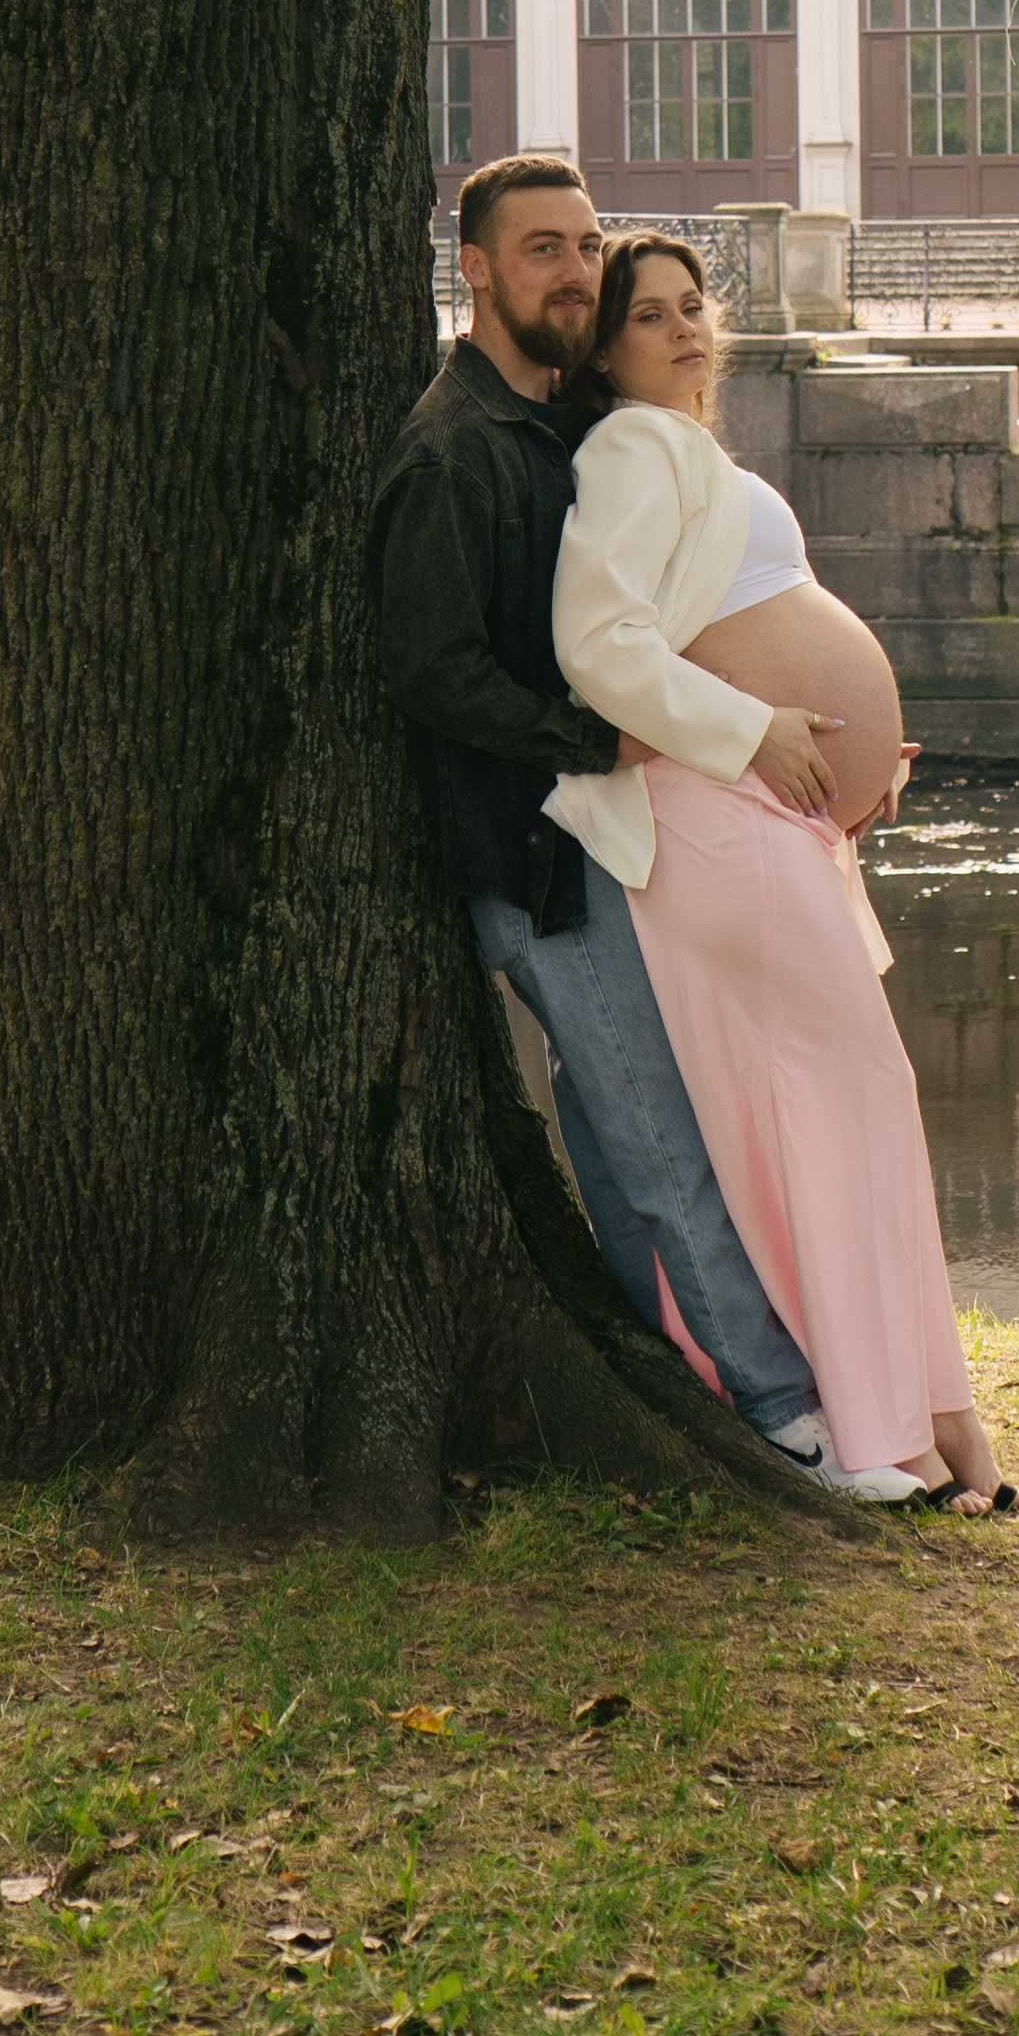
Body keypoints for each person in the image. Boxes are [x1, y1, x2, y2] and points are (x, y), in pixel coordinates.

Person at [368, 153, 880, 1491]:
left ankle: (676, 1374)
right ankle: (787, 1418)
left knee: (618, 1137)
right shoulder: (456, 448)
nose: (576, 273)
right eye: (543, 249)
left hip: (606, 842)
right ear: (472, 268)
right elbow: (431, 668)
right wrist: (613, 734)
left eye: (588, 248)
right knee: (661, 1143)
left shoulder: (562, 424)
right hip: (534, 861)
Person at [545, 234, 1019, 1517]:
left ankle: (935, 1425)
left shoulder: (694, 455)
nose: (687, 331)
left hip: (769, 816)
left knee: (841, 1095)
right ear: (604, 348)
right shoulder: (629, 448)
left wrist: (858, 758)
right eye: (650, 317)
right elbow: (598, 645)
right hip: (712, 814)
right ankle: (879, 1426)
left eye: (696, 309)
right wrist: (762, 730)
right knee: (828, 1098)